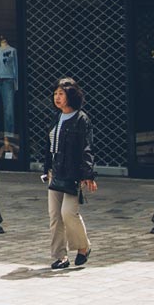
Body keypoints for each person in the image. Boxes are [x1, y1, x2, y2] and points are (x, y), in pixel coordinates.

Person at [43, 77, 98, 270]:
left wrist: (88, 174)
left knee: (68, 213)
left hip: (72, 174)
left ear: (71, 95)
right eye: (55, 94)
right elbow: (49, 146)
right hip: (55, 172)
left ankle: (83, 247)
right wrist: (46, 169)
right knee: (55, 217)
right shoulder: (56, 117)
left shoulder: (81, 118)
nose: (57, 98)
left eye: (61, 94)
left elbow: (86, 147)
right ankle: (60, 256)